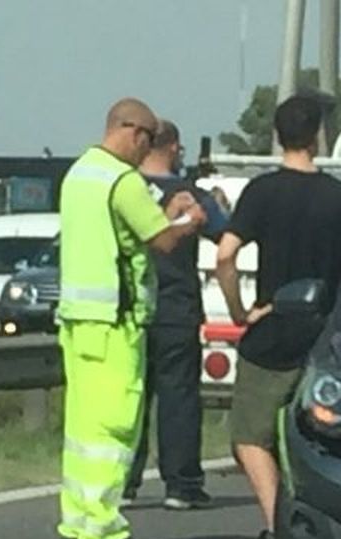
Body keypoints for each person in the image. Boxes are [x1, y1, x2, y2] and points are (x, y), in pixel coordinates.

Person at [215, 94, 341, 539]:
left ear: (278, 136)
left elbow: (224, 255)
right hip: (323, 336)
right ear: (318, 135)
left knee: (250, 436)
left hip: (274, 331)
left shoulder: (262, 193)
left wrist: (242, 311)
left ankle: (279, 534)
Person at [56, 98, 205, 539]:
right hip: (116, 322)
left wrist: (168, 211)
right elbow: (160, 239)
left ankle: (76, 517)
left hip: (78, 319)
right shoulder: (123, 181)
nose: (149, 151)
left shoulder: (80, 173)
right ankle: (103, 526)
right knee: (114, 428)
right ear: (134, 133)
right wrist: (190, 220)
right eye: (149, 141)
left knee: (82, 426)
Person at [123, 119, 229, 509]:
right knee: (179, 395)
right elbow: (225, 233)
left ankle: (124, 482)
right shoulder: (190, 194)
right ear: (171, 148)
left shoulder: (125, 191)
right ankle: (181, 484)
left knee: (130, 397)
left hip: (132, 307)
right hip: (177, 308)